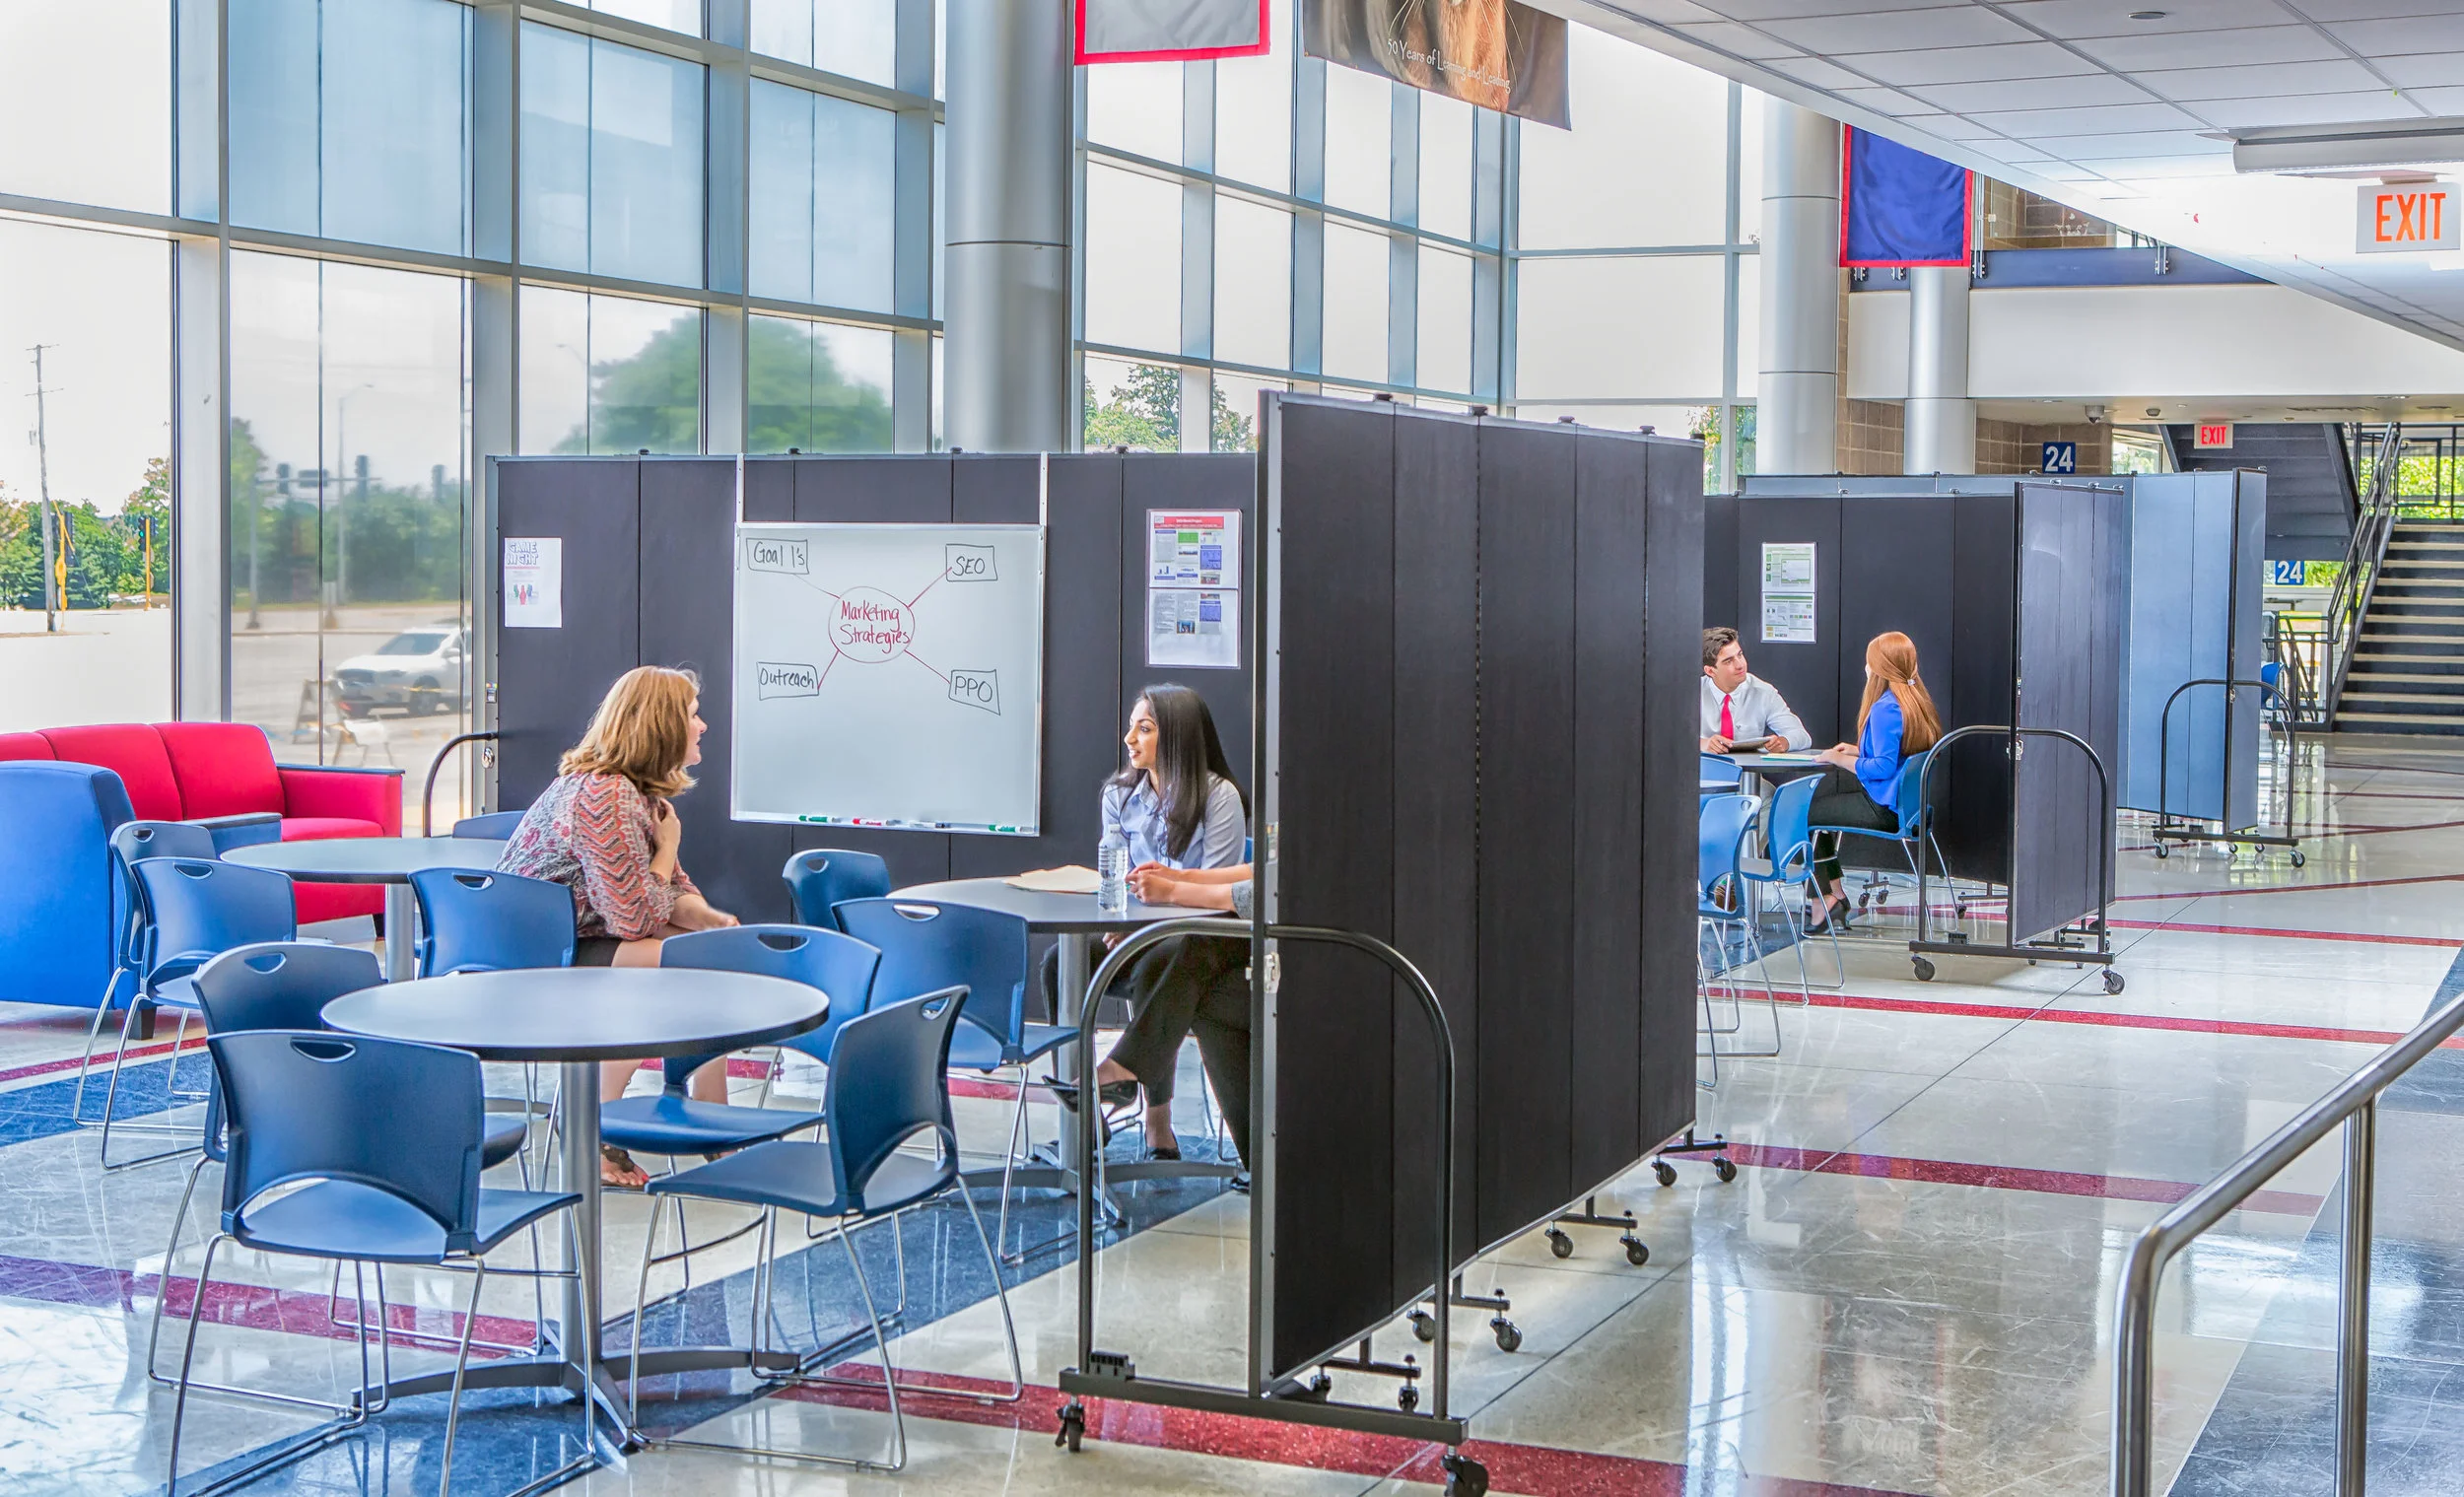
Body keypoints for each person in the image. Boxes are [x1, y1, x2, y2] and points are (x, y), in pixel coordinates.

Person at [497, 665, 741, 1187]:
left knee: (713, 954)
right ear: (661, 724)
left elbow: (671, 892)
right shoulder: (604, 796)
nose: (702, 726)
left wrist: (714, 922)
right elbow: (634, 918)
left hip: (582, 934)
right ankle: (594, 1122)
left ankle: (711, 1121)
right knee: (694, 972)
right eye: (693, 715)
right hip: (540, 952)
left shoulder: (637, 793)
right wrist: (668, 848)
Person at [1069, 684, 1248, 1160]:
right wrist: (1129, 921)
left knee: (1161, 963)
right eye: (1132, 727)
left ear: (1177, 736)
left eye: (1144, 729)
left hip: (1203, 933)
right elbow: (1116, 875)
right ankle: (1082, 1100)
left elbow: (1215, 897)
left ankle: (1147, 1109)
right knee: (1060, 964)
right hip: (1143, 928)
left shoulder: (1220, 796)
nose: (1130, 739)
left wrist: (1146, 917)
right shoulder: (1118, 794)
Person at [1803, 632, 1943, 933]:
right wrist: (1857, 751)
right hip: (1909, 808)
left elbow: (1882, 767)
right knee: (1821, 811)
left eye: (1869, 662)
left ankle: (1826, 899)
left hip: (1884, 809)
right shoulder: (1915, 700)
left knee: (1807, 814)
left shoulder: (1885, 708)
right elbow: (1901, 754)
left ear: (1880, 667)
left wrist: (1838, 759)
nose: (1866, 668)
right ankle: (1833, 895)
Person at [1125, 863, 1255, 1173]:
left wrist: (1172, 890)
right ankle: (1260, 1168)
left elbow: (1260, 893)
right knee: (1056, 964)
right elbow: (1260, 871)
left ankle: (1125, 1073)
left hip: (1296, 957)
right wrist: (1177, 878)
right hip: (1191, 933)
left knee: (1181, 963)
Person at [1700, 627, 1810, 754]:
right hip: (1702, 766)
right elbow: (1677, 737)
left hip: (1749, 766)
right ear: (1710, 671)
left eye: (1740, 655)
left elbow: (1802, 736)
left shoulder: (1763, 691)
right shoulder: (1691, 693)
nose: (1740, 665)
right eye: (1728, 661)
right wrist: (1702, 743)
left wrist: (1784, 742)